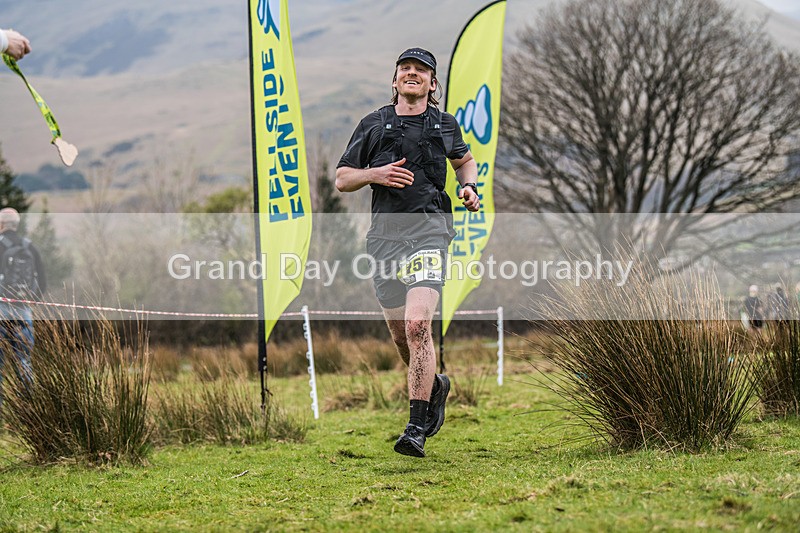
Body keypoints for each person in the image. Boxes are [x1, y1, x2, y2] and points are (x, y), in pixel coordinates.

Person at [336, 47, 480, 457]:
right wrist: (375, 174)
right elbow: (343, 179)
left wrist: (469, 186)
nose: (412, 74)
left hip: (430, 232)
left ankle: (415, 427)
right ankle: (434, 386)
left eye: (421, 70)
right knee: (402, 336)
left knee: (419, 326)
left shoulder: (444, 124)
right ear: (395, 80)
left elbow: (465, 162)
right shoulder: (374, 124)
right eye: (405, 69)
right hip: (384, 240)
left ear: (433, 84)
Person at [0, 207, 46, 410]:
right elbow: (42, 282)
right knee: (23, 360)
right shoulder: (30, 247)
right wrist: (30, 300)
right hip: (23, 310)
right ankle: (30, 408)